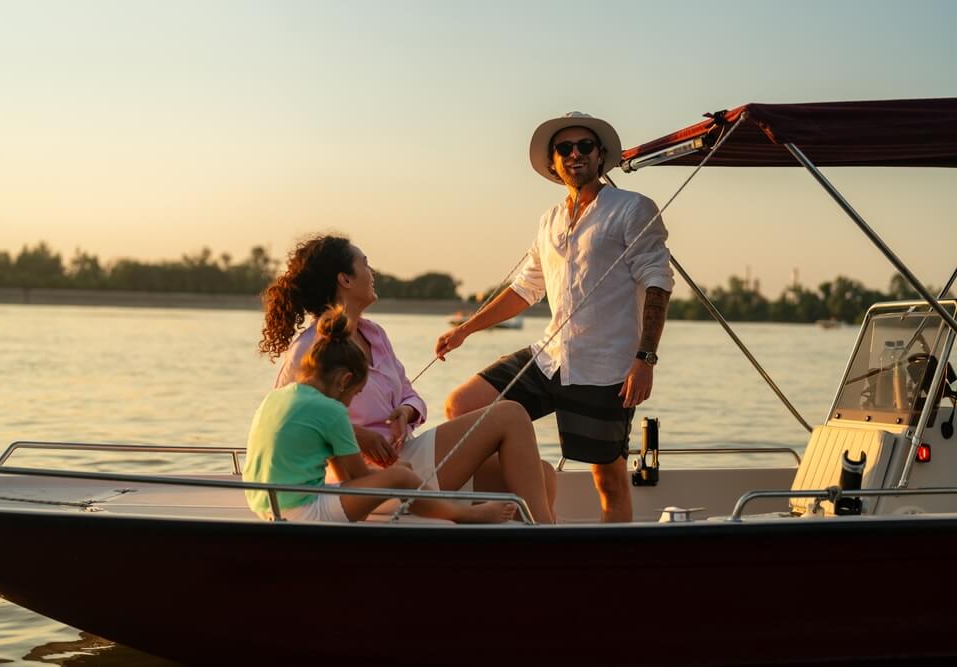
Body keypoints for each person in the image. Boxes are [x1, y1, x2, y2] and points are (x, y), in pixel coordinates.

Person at [436, 111, 674, 523]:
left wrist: (646, 358)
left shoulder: (632, 208)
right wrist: (466, 330)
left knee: (609, 480)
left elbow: (658, 281)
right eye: (565, 149)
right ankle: (532, 506)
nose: (575, 154)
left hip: (606, 368)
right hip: (550, 357)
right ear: (553, 163)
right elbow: (524, 289)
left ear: (601, 156)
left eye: (585, 146)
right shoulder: (550, 220)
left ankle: (611, 570)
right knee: (463, 406)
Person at [259, 234, 556, 523]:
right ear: (345, 279)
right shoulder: (308, 350)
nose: (372, 272)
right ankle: (548, 540)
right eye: (364, 264)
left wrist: (407, 411)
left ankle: (523, 552)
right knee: (510, 415)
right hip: (367, 479)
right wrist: (361, 436)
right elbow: (292, 419)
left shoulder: (374, 334)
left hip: (410, 453)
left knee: (543, 474)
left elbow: (409, 393)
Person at [244, 306, 533, 523]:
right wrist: (398, 475)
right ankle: (465, 516)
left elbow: (345, 473)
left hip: (266, 507)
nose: (350, 402)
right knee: (402, 479)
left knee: (399, 475)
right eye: (354, 394)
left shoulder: (278, 397)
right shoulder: (330, 410)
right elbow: (357, 478)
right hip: (304, 511)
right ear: (344, 381)